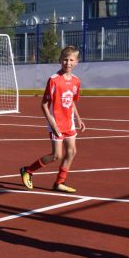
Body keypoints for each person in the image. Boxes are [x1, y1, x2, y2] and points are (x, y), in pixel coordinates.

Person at [20, 46, 85, 193]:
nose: (68, 63)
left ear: (76, 62)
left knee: (72, 152)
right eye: (65, 59)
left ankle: (59, 183)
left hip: (70, 123)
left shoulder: (76, 81)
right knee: (56, 155)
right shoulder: (54, 80)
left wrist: (78, 119)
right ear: (60, 60)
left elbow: (72, 101)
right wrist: (52, 124)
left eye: (71, 60)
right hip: (56, 123)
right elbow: (43, 104)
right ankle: (28, 170)